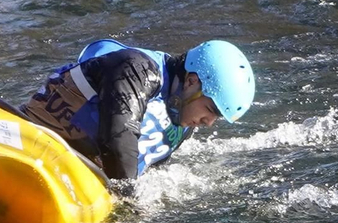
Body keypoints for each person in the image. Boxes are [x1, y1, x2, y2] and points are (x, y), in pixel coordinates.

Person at [19, 39, 256, 182]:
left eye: (218, 117)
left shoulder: (182, 121)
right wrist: (126, 205)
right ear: (192, 82)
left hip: (78, 175)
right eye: (211, 109)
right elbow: (117, 137)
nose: (209, 122)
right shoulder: (135, 69)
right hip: (31, 141)